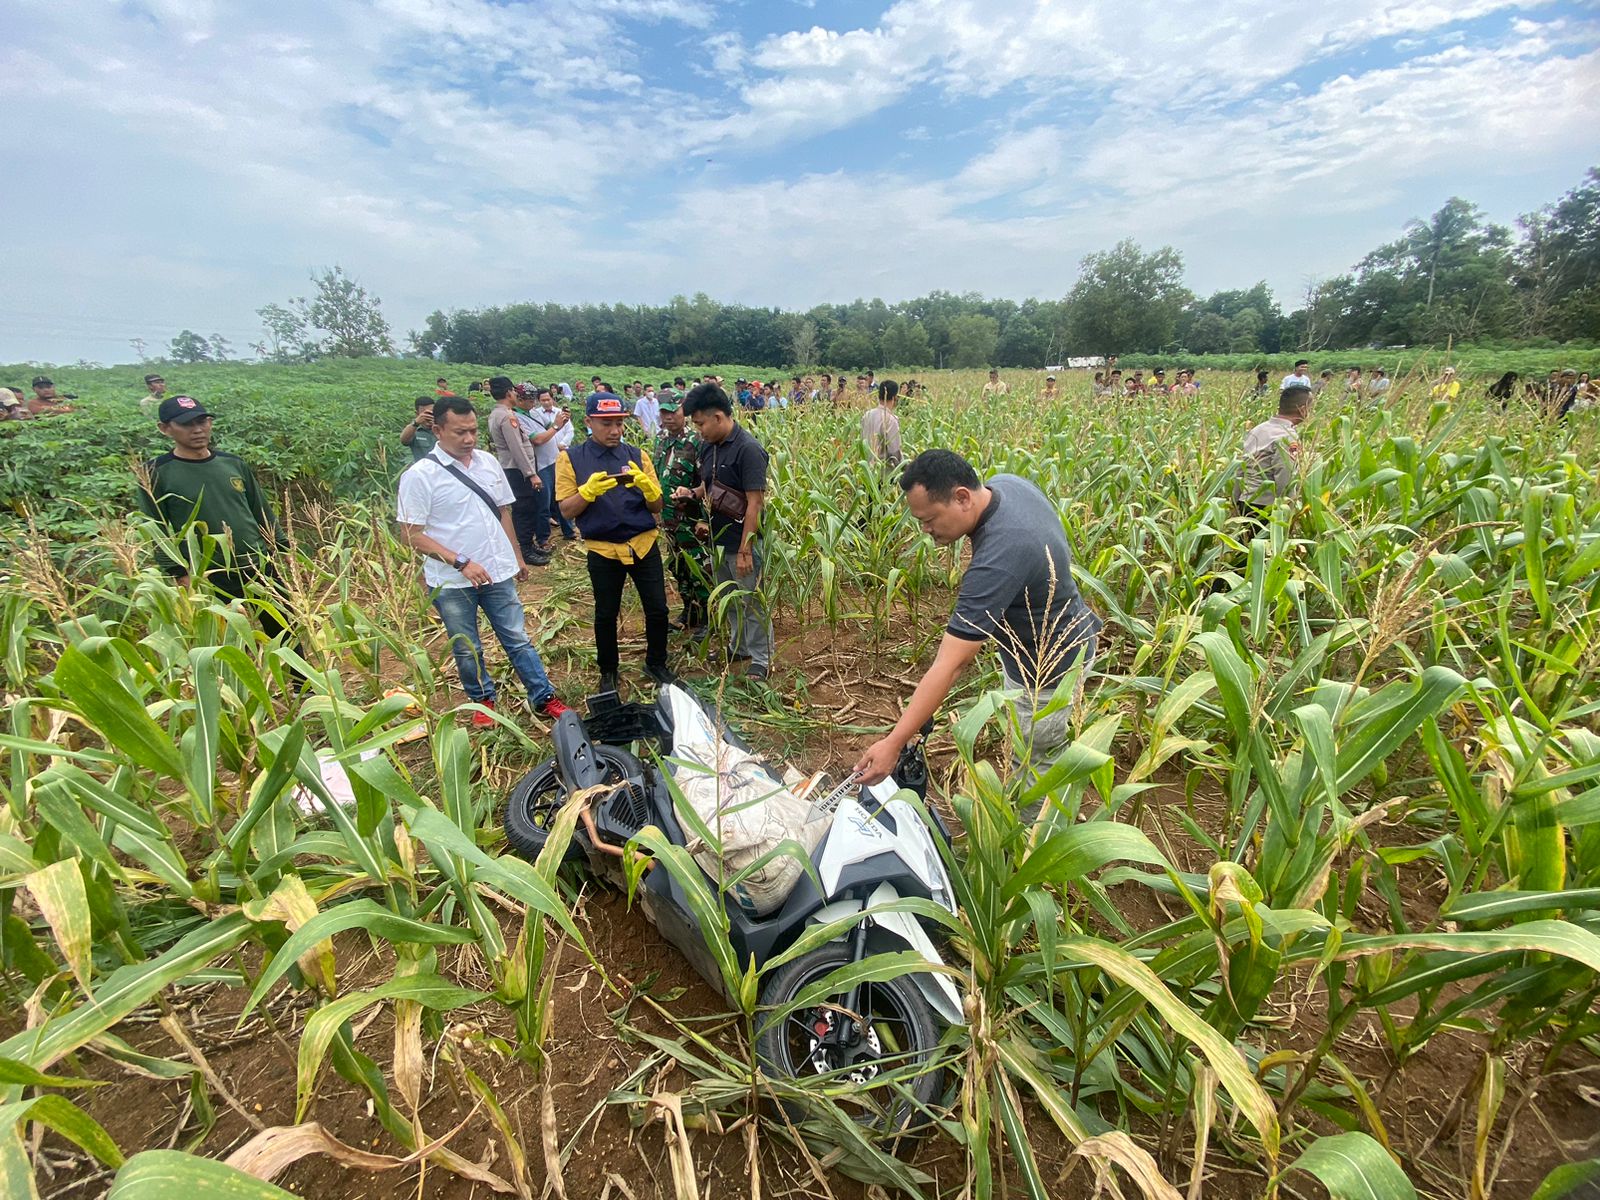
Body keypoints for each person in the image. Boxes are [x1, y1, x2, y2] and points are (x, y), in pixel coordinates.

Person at [852, 449, 1103, 790]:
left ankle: (1033, 839)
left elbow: (951, 665)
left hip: (1048, 676)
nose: (925, 529)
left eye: (929, 519)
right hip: (1072, 631)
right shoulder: (1006, 486)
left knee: (1033, 768)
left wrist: (894, 743)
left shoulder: (998, 559)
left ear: (962, 497)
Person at [396, 397, 568, 726]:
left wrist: (515, 555)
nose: (469, 439)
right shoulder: (420, 476)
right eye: (460, 432)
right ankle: (482, 701)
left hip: (496, 571)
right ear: (437, 430)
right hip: (452, 581)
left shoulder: (488, 463)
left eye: (473, 431)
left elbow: (503, 511)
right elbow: (411, 534)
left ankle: (543, 695)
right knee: (466, 646)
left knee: (517, 637)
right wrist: (461, 562)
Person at [134, 395, 295, 644]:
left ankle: (301, 683)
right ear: (164, 429)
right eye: (186, 424)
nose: (198, 429)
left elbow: (259, 508)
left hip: (258, 563)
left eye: (203, 421)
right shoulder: (156, 472)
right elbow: (155, 527)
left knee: (286, 630)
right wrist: (179, 573)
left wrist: (282, 548)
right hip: (207, 574)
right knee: (228, 643)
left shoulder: (233, 464)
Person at [556, 391, 674, 692]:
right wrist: (587, 492)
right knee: (606, 613)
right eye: (606, 423)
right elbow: (566, 510)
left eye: (619, 423)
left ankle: (656, 662)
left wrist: (650, 490)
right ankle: (608, 670)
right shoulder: (570, 459)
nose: (615, 430)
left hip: (643, 542)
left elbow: (657, 506)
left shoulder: (637, 455)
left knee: (658, 609)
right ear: (588, 422)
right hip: (603, 549)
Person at [676, 383, 772, 683]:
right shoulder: (708, 446)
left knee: (751, 600)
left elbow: (755, 503)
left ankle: (761, 658)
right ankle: (738, 646)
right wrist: (692, 492)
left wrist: (746, 549)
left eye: (701, 423)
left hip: (741, 541)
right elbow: (709, 485)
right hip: (717, 541)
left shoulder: (748, 449)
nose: (699, 430)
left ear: (718, 417)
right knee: (729, 596)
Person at [654, 398, 710, 636]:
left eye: (673, 412)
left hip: (691, 518)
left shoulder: (697, 441)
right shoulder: (660, 440)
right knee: (679, 568)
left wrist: (704, 518)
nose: (668, 417)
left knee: (700, 568)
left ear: (683, 412)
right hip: (669, 520)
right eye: (664, 412)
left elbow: (708, 482)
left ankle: (709, 617)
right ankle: (690, 611)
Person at [486, 376, 548, 567]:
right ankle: (526, 550)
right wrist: (531, 473)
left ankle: (528, 544)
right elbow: (517, 448)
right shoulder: (507, 416)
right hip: (517, 470)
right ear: (508, 393)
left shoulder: (498, 413)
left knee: (526, 508)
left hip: (515, 469)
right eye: (513, 391)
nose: (515, 394)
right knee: (524, 509)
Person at [1235, 383, 1312, 523]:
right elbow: (1285, 476)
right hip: (1266, 506)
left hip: (1245, 499)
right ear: (1302, 410)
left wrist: (1236, 499)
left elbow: (1241, 467)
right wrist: (1288, 507)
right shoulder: (1287, 436)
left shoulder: (1259, 429)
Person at [522, 388, 577, 545]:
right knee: (544, 504)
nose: (544, 402)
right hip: (541, 464)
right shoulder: (521, 417)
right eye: (540, 399)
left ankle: (568, 530)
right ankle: (543, 538)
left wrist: (561, 426)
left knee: (562, 495)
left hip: (555, 459)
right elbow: (538, 439)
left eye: (548, 399)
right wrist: (556, 426)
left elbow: (563, 429)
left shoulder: (535, 414)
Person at [862, 379, 904, 467]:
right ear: (894, 397)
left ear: (879, 395)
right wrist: (903, 467)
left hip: (866, 469)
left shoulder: (867, 415)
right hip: (883, 472)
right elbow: (894, 452)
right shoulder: (891, 420)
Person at [397, 396, 438, 462]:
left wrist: (437, 425)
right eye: (425, 413)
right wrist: (415, 422)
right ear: (417, 414)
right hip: (423, 470)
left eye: (431, 412)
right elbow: (404, 440)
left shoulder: (443, 428)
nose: (429, 415)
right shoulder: (414, 431)